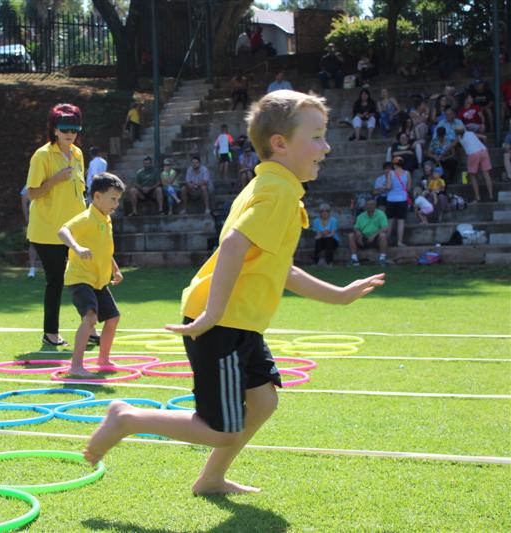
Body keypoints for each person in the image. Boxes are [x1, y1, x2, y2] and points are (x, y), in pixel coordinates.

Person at [82, 90, 385, 494]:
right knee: (221, 429)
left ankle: (211, 478)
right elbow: (232, 246)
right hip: (222, 321)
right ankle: (127, 419)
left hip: (238, 320)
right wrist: (212, 314)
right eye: (316, 137)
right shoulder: (277, 193)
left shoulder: (273, 185)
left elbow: (278, 267)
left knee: (263, 402)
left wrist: (340, 295)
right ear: (280, 144)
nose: (326, 147)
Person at [26, 103, 88, 347]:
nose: (69, 133)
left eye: (74, 128)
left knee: (84, 277)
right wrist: (55, 179)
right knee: (56, 281)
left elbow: (80, 192)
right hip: (47, 231)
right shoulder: (42, 155)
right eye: (64, 128)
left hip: (75, 230)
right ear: (54, 129)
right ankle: (50, 333)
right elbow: (32, 193)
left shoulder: (78, 154)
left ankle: (89, 327)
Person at [57, 173, 125, 377]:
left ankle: (103, 359)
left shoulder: (106, 219)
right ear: (97, 197)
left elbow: (104, 249)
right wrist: (76, 247)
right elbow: (63, 231)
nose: (116, 204)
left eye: (118, 200)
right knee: (90, 317)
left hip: (98, 280)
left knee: (113, 318)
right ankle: (76, 366)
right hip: (80, 278)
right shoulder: (86, 218)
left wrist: (115, 269)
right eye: (113, 199)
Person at [454, 125, 493, 202]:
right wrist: (484, 142)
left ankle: (478, 197)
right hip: (483, 150)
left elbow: (451, 145)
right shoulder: (471, 133)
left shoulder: (459, 138)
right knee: (486, 174)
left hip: (473, 153)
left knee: (472, 175)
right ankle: (491, 195)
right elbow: (484, 137)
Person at [348, 198, 389, 266]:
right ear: (365, 206)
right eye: (368, 204)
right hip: (363, 238)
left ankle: (382, 259)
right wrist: (358, 232)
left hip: (376, 238)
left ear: (375, 205)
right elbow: (356, 228)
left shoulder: (381, 214)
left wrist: (374, 235)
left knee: (383, 235)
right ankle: (354, 259)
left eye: (372, 204)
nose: (370, 206)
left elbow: (385, 228)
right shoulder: (361, 216)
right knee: (351, 236)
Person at [385, 156, 411, 247]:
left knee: (390, 221)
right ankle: (399, 242)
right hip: (402, 199)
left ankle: (385, 241)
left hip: (391, 199)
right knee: (401, 222)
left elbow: (388, 187)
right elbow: (408, 188)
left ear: (394, 164)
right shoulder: (407, 173)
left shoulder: (391, 173)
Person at [20, 185, 39, 278]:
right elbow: (24, 202)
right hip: (35, 219)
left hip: (52, 219)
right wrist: (27, 218)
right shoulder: (30, 184)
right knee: (33, 243)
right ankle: (32, 269)